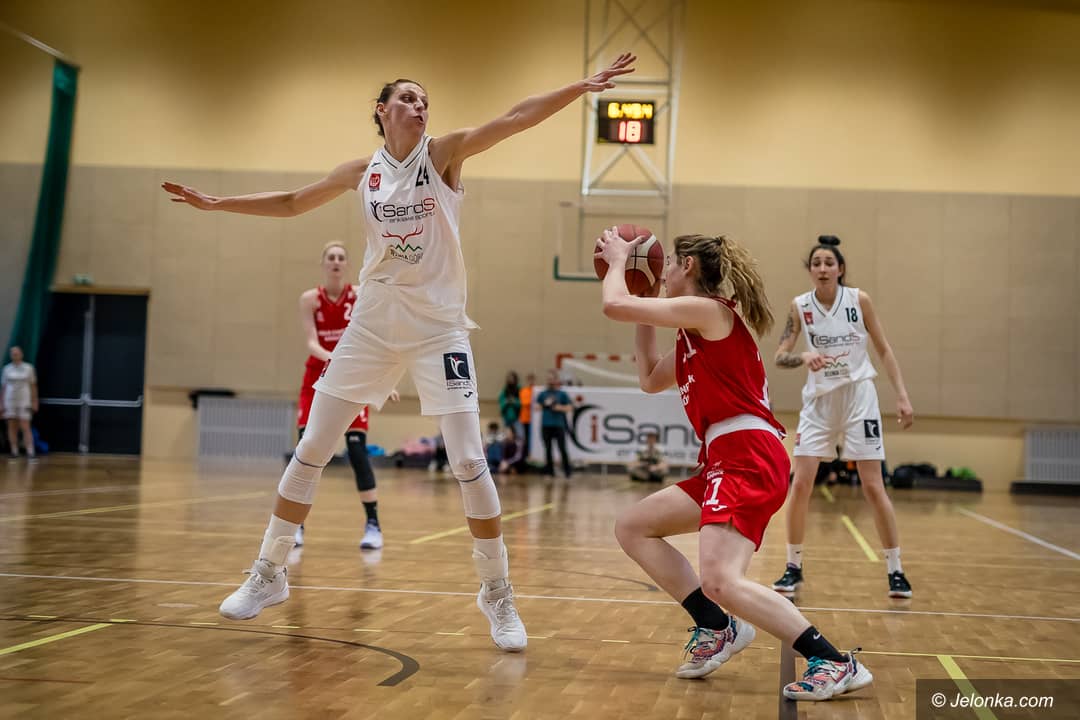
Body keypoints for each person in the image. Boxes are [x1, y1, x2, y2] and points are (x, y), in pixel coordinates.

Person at [162, 53, 636, 652]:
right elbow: (291, 202)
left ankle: (497, 593)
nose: (420, 106)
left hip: (439, 328)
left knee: (469, 461)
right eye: (408, 98)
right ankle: (269, 572)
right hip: (373, 325)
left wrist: (581, 86)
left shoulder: (444, 155)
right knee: (312, 447)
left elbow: (516, 118)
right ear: (382, 110)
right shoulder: (362, 171)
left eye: (425, 99)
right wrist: (218, 203)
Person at [598, 229, 872, 701]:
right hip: (723, 458)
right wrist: (643, 301)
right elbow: (648, 379)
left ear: (688, 265)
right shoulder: (691, 335)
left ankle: (831, 660)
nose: (663, 271)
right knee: (634, 526)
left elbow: (613, 305)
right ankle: (716, 625)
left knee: (721, 579)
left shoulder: (711, 311)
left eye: (669, 263)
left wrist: (622, 261)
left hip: (746, 454)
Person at [770, 235, 914, 599]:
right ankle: (793, 567)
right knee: (800, 483)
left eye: (828, 263)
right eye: (816, 263)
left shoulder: (858, 300)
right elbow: (780, 356)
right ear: (810, 270)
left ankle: (896, 570)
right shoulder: (800, 306)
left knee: (873, 485)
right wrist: (803, 357)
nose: (822, 268)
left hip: (858, 398)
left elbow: (883, 349)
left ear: (840, 269)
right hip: (819, 402)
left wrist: (901, 395)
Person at [294, 241, 396, 551]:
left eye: (341, 257)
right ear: (323, 263)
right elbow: (311, 343)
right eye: (331, 257)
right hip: (318, 376)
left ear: (347, 264)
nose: (336, 262)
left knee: (356, 449)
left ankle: (373, 524)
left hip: (353, 378)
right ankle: (295, 525)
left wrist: (382, 380)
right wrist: (337, 361)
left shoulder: (360, 295)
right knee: (307, 449)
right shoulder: (310, 299)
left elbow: (376, 338)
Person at [535, 370, 574, 478]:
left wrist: (558, 407)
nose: (550, 381)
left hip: (558, 425)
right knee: (548, 449)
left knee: (562, 448)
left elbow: (570, 407)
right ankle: (550, 471)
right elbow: (536, 407)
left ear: (556, 380)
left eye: (552, 379)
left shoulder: (562, 394)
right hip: (546, 425)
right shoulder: (543, 394)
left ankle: (567, 471)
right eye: (549, 379)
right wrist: (545, 405)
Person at [2, 346, 38, 461]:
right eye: (13, 354)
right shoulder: (6, 369)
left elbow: (33, 386)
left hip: (24, 400)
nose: (15, 355)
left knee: (25, 426)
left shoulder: (28, 368)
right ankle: (14, 451)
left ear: (21, 354)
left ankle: (30, 452)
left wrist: (34, 401)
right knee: (12, 426)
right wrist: (1, 404)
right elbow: (3, 387)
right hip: (10, 400)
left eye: (17, 353)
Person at [518, 372, 536, 471]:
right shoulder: (524, 391)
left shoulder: (536, 390)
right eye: (529, 380)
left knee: (533, 439)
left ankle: (532, 455)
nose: (531, 382)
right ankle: (526, 456)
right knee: (525, 438)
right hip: (525, 418)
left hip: (534, 420)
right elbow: (525, 402)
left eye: (532, 379)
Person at [498, 371, 523, 440]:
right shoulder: (504, 390)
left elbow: (522, 402)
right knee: (506, 436)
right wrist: (506, 402)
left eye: (512, 378)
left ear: (515, 379)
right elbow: (501, 403)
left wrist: (514, 401)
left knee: (519, 436)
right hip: (506, 417)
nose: (510, 380)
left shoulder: (519, 389)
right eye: (509, 378)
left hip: (517, 417)